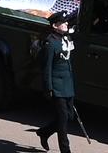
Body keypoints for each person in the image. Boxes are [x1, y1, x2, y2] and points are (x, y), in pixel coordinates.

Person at [36, 10, 78, 153]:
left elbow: (68, 62)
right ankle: (65, 150)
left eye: (66, 21)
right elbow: (46, 67)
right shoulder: (50, 43)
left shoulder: (66, 39)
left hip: (68, 84)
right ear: (55, 25)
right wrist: (48, 88)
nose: (66, 23)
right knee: (62, 121)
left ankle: (44, 132)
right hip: (57, 85)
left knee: (69, 117)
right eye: (63, 22)